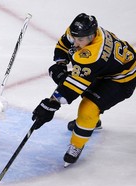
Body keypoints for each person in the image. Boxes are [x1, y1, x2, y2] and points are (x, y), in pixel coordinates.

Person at [32, 13, 136, 167]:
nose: (75, 42)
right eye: (75, 38)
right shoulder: (79, 33)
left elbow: (73, 88)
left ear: (92, 36)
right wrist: (61, 64)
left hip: (122, 80)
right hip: (106, 69)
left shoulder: (92, 55)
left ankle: (77, 144)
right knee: (88, 91)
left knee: (88, 108)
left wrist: (50, 104)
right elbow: (64, 44)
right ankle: (92, 121)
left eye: (80, 40)